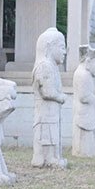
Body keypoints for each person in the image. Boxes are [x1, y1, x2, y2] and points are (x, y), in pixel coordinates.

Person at [31, 28, 67, 169]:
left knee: (52, 133)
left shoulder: (52, 66)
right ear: (50, 47)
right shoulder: (44, 66)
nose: (64, 52)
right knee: (47, 134)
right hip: (45, 112)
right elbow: (47, 92)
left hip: (51, 112)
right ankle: (48, 158)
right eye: (62, 47)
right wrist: (60, 97)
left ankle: (52, 157)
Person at [72, 45, 95, 158]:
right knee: (84, 136)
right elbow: (83, 97)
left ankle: (88, 151)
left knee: (87, 136)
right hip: (83, 114)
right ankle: (83, 152)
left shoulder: (86, 74)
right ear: (88, 61)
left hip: (86, 113)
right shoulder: (83, 75)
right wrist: (93, 98)